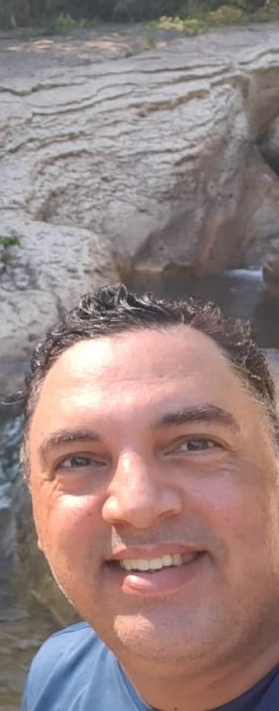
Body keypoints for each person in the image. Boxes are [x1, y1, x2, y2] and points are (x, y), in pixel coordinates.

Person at [20, 284, 279, 710]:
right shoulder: (57, 675)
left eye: (195, 444)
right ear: (37, 518)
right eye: (78, 460)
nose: (136, 505)